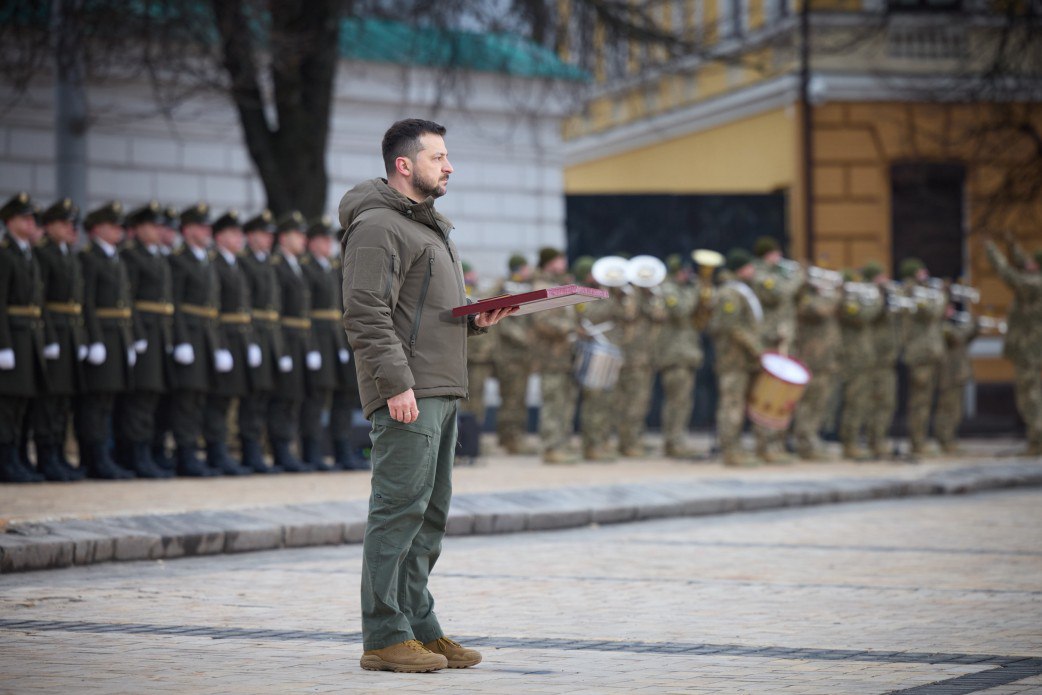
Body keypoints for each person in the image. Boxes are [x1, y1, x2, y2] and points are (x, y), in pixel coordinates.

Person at [339, 118, 514, 673]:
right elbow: (366, 314)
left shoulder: (427, 226)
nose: (449, 165)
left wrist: (475, 320)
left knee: (429, 513)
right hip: (408, 391)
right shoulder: (376, 226)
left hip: (438, 387)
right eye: (439, 157)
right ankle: (384, 635)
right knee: (397, 510)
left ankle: (420, 626)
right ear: (404, 166)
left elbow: (421, 315)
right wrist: (396, 385)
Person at [77, 201, 136, 479]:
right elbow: (86, 302)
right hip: (103, 335)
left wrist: (133, 338)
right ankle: (95, 457)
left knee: (108, 401)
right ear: (97, 228)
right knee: (96, 402)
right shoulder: (89, 258)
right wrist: (94, 339)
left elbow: (126, 302)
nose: (119, 231)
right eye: (113, 226)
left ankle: (106, 456)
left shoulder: (116, 257)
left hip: (119, 337)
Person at [116, 201, 175, 478]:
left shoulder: (157, 256)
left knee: (155, 397)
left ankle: (152, 450)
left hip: (160, 333)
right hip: (145, 334)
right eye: (152, 225)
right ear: (137, 229)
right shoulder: (131, 256)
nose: (157, 231)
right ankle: (135, 453)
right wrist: (136, 336)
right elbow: (129, 301)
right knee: (141, 397)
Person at [169, 202, 228, 477]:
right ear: (188, 229)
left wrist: (218, 345)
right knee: (187, 401)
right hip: (190, 338)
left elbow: (212, 306)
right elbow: (175, 303)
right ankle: (185, 453)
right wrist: (180, 340)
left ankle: (198, 453)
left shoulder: (206, 258)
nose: (207, 231)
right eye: (201, 226)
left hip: (206, 338)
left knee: (202, 397)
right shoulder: (179, 259)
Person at [30, 198, 86, 481]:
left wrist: (84, 338)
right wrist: (49, 337)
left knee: (63, 401)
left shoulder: (68, 254)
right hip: (52, 334)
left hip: (71, 334)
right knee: (49, 400)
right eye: (63, 223)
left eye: (72, 224)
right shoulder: (43, 254)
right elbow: (40, 301)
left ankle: (58, 454)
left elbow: (78, 301)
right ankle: (46, 455)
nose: (69, 229)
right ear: (49, 225)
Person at [0, 192, 49, 483]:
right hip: (13, 338)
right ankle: (6, 459)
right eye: (25, 218)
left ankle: (17, 456)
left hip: (29, 337)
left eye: (33, 219)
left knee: (22, 404)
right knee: (7, 404)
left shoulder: (27, 253)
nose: (32, 223)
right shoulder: (5, 254)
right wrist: (3, 344)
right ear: (10, 221)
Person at [203, 210, 255, 475]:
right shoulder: (216, 264)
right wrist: (220, 345)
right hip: (223, 339)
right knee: (219, 399)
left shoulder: (236, 263)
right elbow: (216, 312)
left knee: (230, 399)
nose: (239, 238)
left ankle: (223, 451)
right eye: (233, 233)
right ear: (220, 236)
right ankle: (215, 451)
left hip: (238, 339)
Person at [269, 210, 317, 472]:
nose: (302, 240)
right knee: (284, 398)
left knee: (297, 397)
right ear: (284, 237)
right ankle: (280, 449)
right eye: (297, 235)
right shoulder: (277, 265)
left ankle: (291, 449)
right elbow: (276, 311)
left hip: (300, 340)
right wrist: (282, 349)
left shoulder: (296, 265)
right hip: (286, 339)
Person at [985, 237, 1042, 455]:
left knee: (1030, 395)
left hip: (1030, 350)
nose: (1027, 264)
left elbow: (1008, 275)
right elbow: (1022, 263)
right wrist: (1012, 245)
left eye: (1031, 263)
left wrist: (992, 251)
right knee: (1030, 393)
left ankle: (1037, 441)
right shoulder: (1034, 279)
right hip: (1030, 349)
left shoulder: (1033, 284)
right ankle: (1035, 441)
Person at [708, 249, 764, 467]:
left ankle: (736, 448)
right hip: (733, 359)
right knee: (731, 404)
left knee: (738, 405)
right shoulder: (729, 294)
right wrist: (756, 348)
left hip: (742, 359)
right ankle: (730, 451)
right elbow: (732, 327)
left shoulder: (742, 291)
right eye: (750, 267)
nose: (754, 271)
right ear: (741, 269)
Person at [300, 215, 346, 471]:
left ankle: (340, 448)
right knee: (316, 398)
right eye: (322, 240)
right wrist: (311, 347)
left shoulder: (330, 268)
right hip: (316, 338)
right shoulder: (307, 267)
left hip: (333, 338)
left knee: (338, 395)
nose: (327, 244)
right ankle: (312, 450)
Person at [239, 210, 283, 472]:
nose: (267, 239)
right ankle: (249, 451)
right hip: (252, 335)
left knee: (264, 396)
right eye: (262, 234)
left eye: (269, 235)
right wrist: (251, 340)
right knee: (252, 397)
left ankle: (259, 450)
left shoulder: (268, 263)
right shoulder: (245, 263)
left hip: (270, 338)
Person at [530, 247, 579, 464]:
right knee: (553, 402)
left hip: (564, 357)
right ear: (550, 262)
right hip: (551, 356)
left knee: (564, 402)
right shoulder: (542, 287)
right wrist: (569, 328)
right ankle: (550, 447)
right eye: (560, 259)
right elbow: (542, 321)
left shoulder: (559, 285)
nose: (564, 263)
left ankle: (561, 443)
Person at [653, 254, 704, 459]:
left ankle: (676, 439)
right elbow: (681, 311)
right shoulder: (669, 291)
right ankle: (674, 441)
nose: (688, 275)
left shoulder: (684, 290)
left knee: (682, 401)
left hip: (686, 353)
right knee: (677, 400)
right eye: (684, 271)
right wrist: (696, 291)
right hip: (674, 355)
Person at [899, 257, 946, 457]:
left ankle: (921, 440)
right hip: (921, 354)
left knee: (925, 401)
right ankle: (917, 442)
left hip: (930, 353)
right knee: (920, 402)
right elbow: (933, 312)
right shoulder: (914, 294)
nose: (925, 275)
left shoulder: (919, 292)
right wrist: (941, 293)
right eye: (921, 272)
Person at [489, 253, 534, 454]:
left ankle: (511, 437)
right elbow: (504, 321)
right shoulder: (505, 287)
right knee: (512, 398)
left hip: (523, 355)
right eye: (525, 267)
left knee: (518, 397)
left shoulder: (527, 286)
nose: (528, 271)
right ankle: (510, 439)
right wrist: (526, 338)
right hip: (509, 355)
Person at [935, 302, 979, 455]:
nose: (951, 311)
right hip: (948, 373)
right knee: (947, 408)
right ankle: (944, 439)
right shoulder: (943, 326)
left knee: (956, 409)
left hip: (959, 372)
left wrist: (975, 324)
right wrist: (969, 325)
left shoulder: (955, 324)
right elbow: (957, 338)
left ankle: (951, 439)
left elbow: (968, 338)